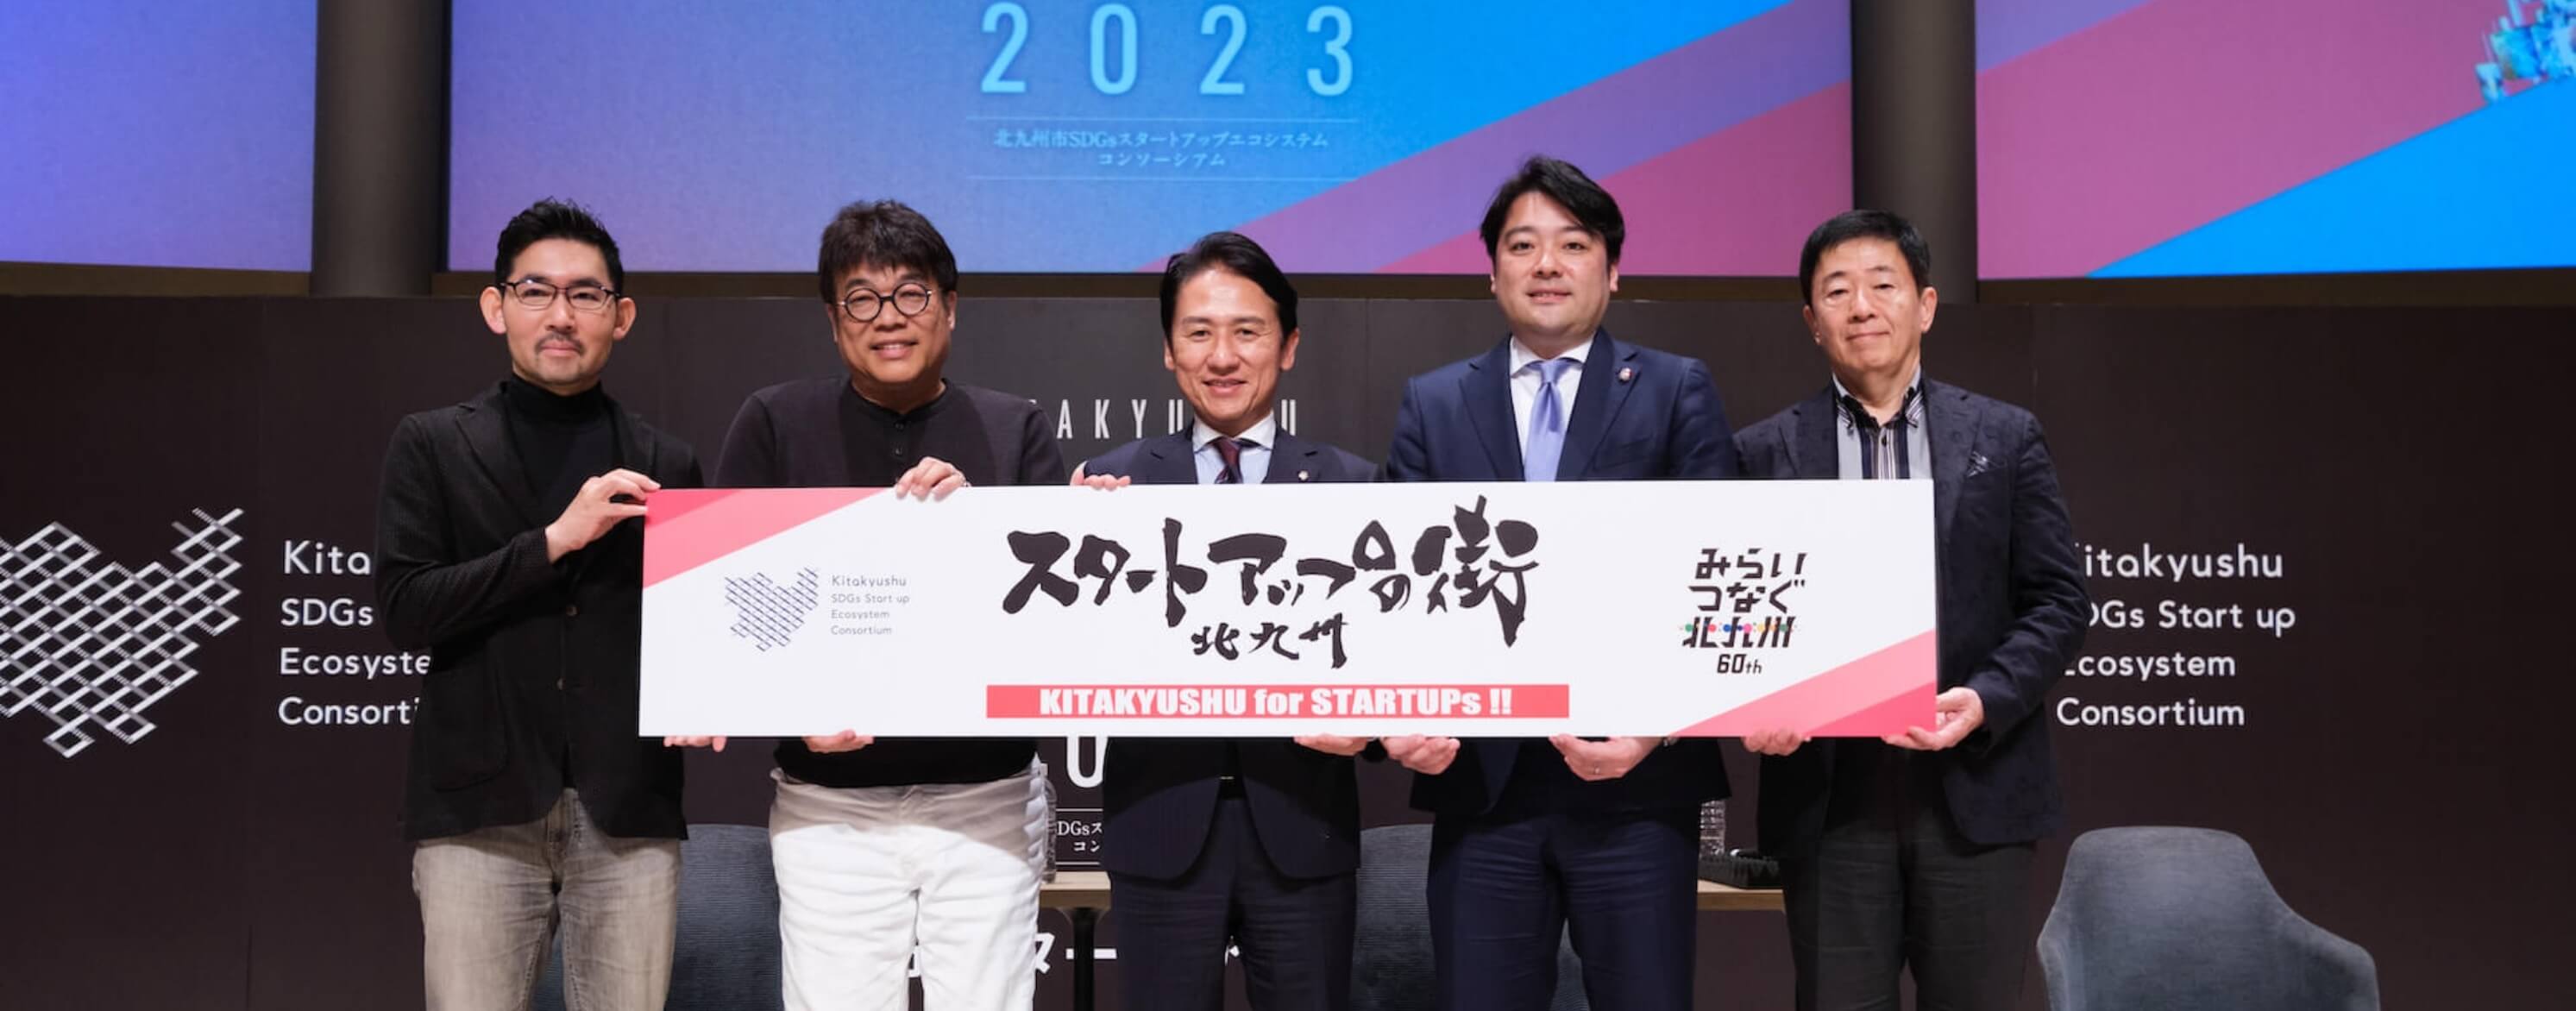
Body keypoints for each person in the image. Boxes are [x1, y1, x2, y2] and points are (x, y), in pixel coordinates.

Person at [1379, 155, 1737, 1011]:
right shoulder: (1434, 402)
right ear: (1492, 271)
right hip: (1484, 788)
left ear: (1612, 271)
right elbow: (1398, 586)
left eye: (1572, 244)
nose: (1546, 264)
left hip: (1637, 786)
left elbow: (1716, 570)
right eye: (1522, 245)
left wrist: (1649, 730)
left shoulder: (1673, 387)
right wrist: (1401, 714)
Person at [693, 198, 1064, 1011]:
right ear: (834, 321)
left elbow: (1051, 623)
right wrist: (790, 707)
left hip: (987, 797)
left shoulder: (1014, 429)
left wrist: (978, 525)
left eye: (911, 294)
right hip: (828, 804)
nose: (888, 318)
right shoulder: (775, 422)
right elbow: (730, 605)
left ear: (950, 307)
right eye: (861, 299)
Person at [1737, 209, 2089, 1011]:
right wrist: (1758, 700)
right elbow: (1742, 608)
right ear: (1811, 321)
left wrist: (1984, 699)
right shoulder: (1761, 453)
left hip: (1975, 791)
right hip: (1830, 803)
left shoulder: (2006, 436)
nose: (1861, 306)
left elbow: (2060, 601)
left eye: (1882, 285)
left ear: (1925, 305)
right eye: (1837, 291)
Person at [376, 198, 700, 1011]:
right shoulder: (433, 444)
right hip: (478, 809)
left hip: (628, 806)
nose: (561, 315)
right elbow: (408, 609)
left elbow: (696, 632)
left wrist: (713, 692)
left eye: (586, 294)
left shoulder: (666, 462)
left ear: (621, 316)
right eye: (536, 291)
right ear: (496, 307)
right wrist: (555, 541)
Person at [1071, 231, 1377, 1011]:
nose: (1223, 356)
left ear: (1289, 346)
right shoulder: (1112, 485)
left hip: (1304, 829)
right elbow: (1066, 658)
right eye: (1199, 332)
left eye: (1247, 331)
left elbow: (1392, 657)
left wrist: (1371, 728)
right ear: (1169, 350)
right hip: (1160, 825)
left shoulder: (1355, 487)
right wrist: (1077, 548)